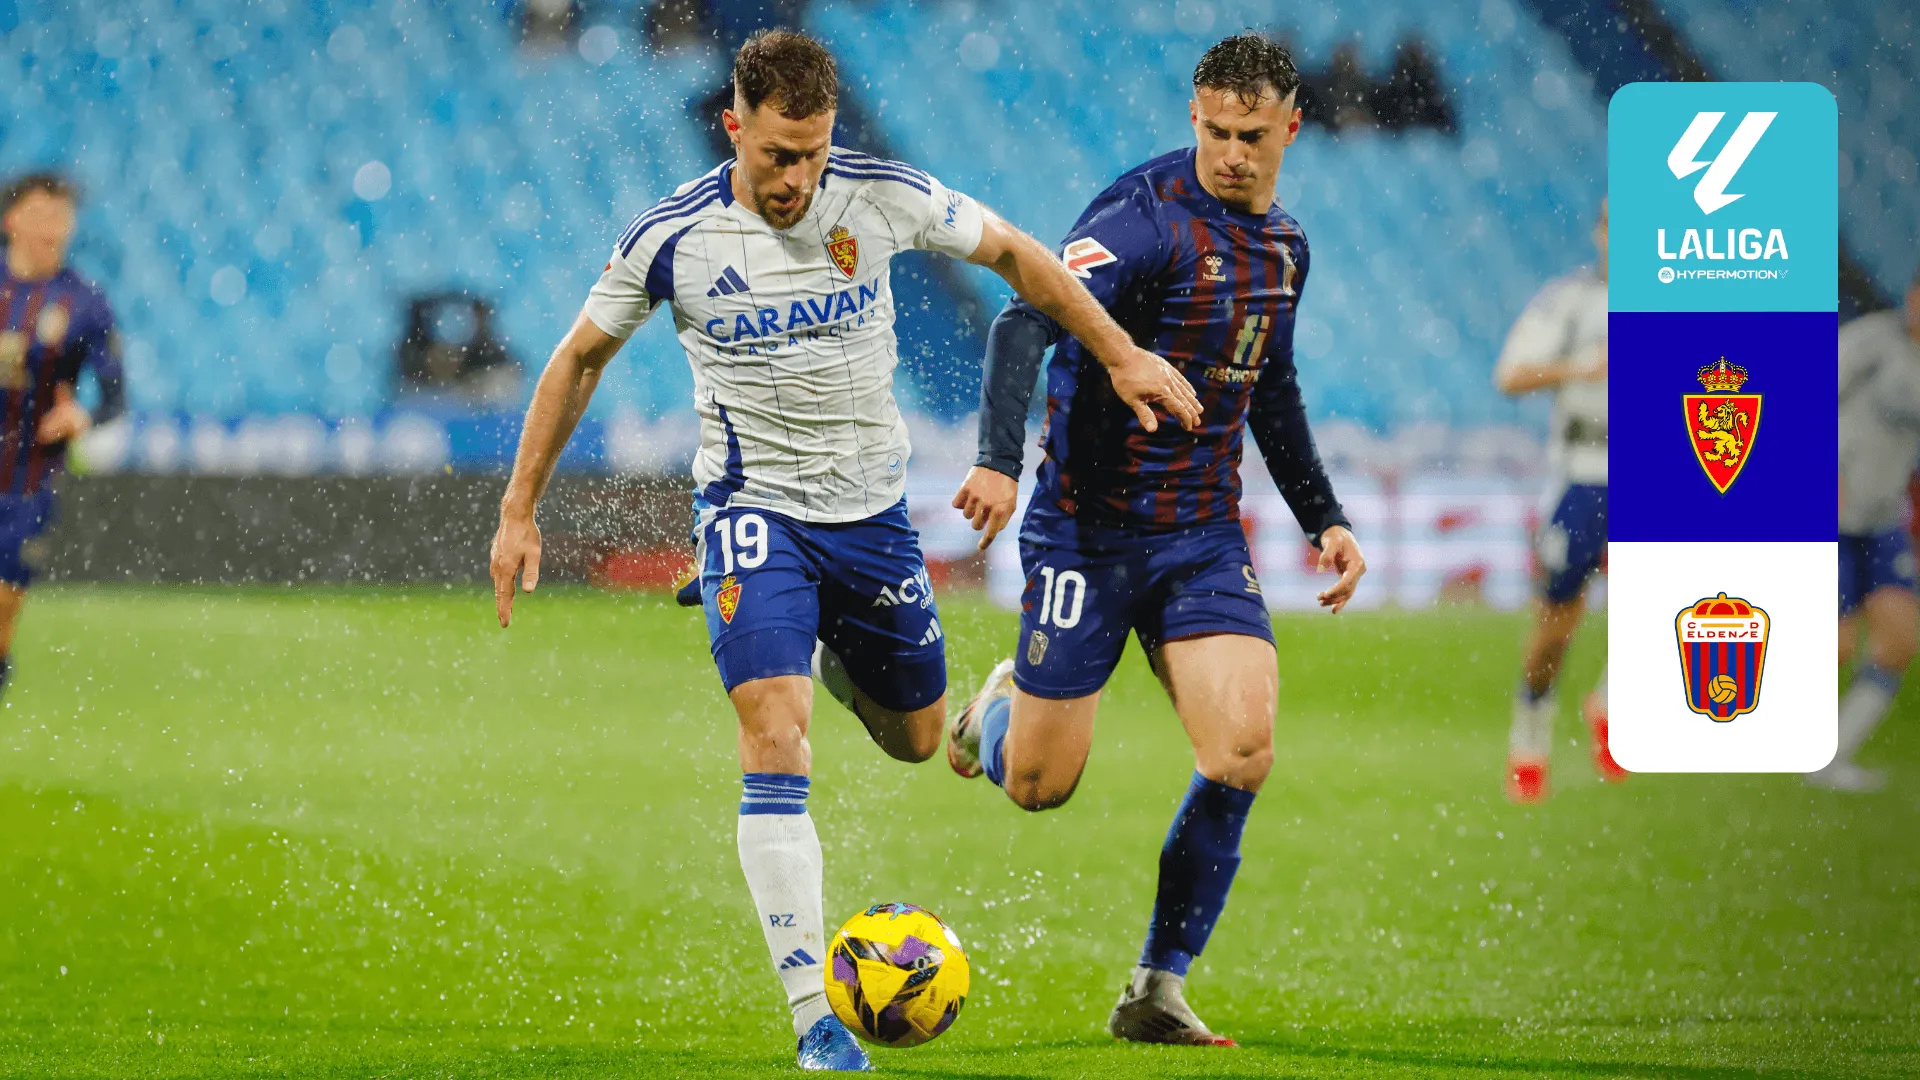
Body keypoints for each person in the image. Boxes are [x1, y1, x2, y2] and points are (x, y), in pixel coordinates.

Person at [487, 29, 1200, 1073]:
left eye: (815, 153)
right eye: (780, 155)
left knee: (914, 740)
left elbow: (1015, 254)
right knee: (774, 736)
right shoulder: (672, 237)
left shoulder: (880, 194)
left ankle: (950, 709)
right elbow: (578, 358)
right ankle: (813, 1020)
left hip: (871, 522)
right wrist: (519, 508)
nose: (799, 178)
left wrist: (1122, 350)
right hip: (750, 511)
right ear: (735, 128)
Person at [945, 34, 1365, 1047]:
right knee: (1041, 787)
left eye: (1251, 136)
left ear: (1290, 129)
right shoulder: (1141, 219)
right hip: (1087, 533)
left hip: (1201, 539)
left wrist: (1326, 517)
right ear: (1195, 120)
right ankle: (990, 717)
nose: (1230, 153)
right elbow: (1020, 324)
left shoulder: (1287, 251)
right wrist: (1000, 459)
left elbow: (1272, 388)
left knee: (1244, 749)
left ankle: (1154, 988)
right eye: (1214, 131)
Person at [1494, 199, 1615, 803]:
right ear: (1599, 232)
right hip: (1583, 474)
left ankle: (1615, 702)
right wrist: (1580, 367)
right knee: (1557, 622)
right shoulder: (1569, 301)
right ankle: (1530, 737)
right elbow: (1510, 376)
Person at [0, 172, 124, 696]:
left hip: (27, 476)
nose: (51, 226)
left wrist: (83, 418)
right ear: (11, 220)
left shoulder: (84, 303)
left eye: (60, 216)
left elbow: (115, 395)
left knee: (5, 599)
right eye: (39, 214)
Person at [1821, 267, 1920, 791]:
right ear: (1912, 296)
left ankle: (1831, 757)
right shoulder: (1872, 342)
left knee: (1900, 639)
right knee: (1834, 647)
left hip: (1882, 519)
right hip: (1831, 514)